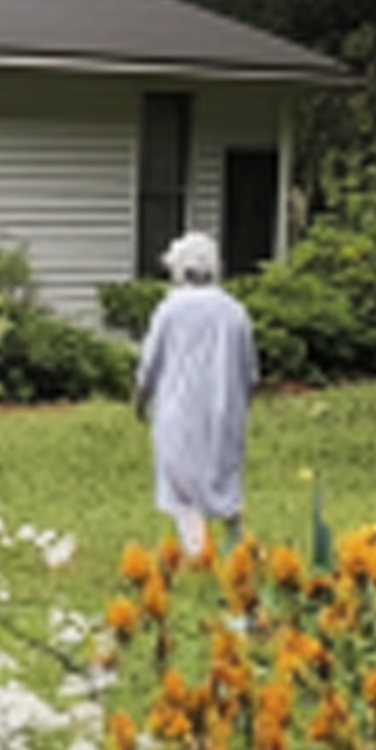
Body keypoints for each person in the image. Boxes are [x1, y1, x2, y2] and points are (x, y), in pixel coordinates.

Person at [134, 231, 257, 560]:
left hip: (179, 408)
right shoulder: (235, 312)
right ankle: (237, 543)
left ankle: (199, 552)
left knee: (180, 485)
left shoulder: (170, 309)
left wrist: (140, 397)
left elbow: (150, 362)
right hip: (225, 409)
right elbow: (250, 370)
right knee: (223, 475)